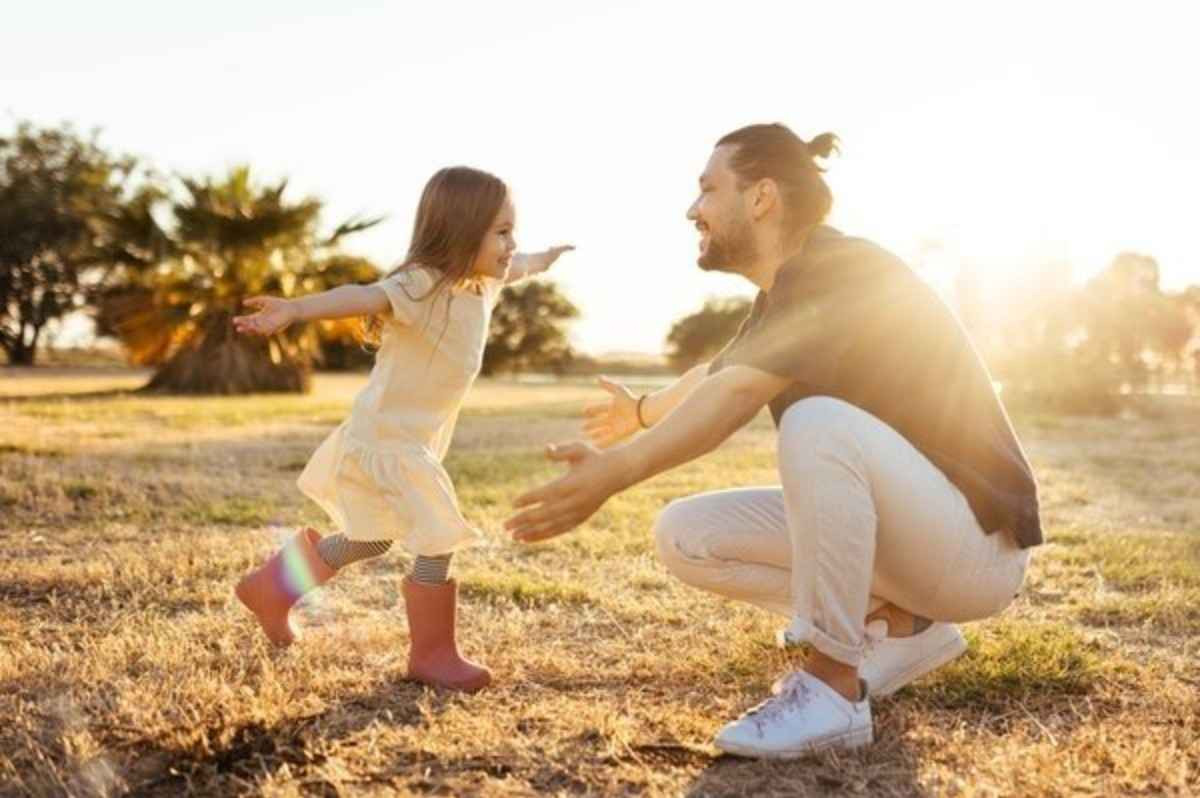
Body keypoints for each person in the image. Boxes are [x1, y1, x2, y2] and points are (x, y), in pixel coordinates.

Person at [506, 123, 1039, 756]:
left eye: (707, 189)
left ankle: (834, 687)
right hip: (923, 544)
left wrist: (614, 472)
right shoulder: (788, 292)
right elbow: (716, 373)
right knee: (686, 534)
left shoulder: (842, 269)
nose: (691, 210)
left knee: (817, 423)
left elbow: (733, 396)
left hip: (975, 549)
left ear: (761, 198)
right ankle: (903, 629)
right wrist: (642, 412)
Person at [232, 165, 573, 692]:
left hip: (404, 439)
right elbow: (364, 296)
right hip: (387, 440)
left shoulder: (485, 282)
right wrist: (297, 309)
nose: (512, 244)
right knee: (437, 530)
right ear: (462, 231)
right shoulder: (421, 284)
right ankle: (432, 654)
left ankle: (271, 588)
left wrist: (546, 259)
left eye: (513, 231)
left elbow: (521, 266)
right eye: (501, 232)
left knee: (370, 540)